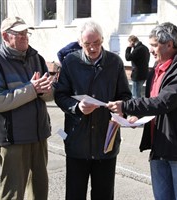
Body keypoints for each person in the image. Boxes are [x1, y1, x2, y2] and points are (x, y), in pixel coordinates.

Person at [107, 22, 177, 200]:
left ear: (170, 44)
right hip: (159, 146)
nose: (150, 50)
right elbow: (152, 102)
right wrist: (137, 116)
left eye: (154, 45)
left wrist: (126, 106)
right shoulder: (156, 71)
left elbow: (164, 102)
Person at [54, 20, 132, 200]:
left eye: (96, 43)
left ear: (102, 40)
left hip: (106, 141)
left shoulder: (114, 62)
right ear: (80, 43)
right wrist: (76, 107)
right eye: (87, 44)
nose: (92, 48)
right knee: (75, 194)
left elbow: (126, 96)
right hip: (77, 142)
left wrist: (121, 109)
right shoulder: (71, 62)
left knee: (103, 195)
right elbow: (61, 95)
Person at [0, 16, 55, 200]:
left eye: (25, 33)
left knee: (39, 191)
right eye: (19, 33)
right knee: (12, 193)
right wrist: (32, 89)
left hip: (39, 136)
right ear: (5, 36)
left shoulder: (37, 58)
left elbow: (48, 95)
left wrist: (46, 90)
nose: (24, 37)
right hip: (13, 140)